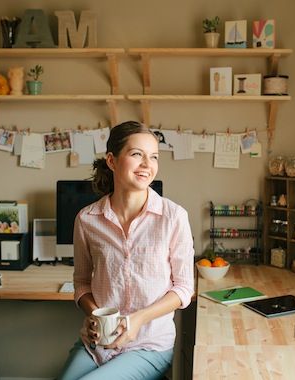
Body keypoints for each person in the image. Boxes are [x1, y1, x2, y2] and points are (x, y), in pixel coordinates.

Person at [58, 121, 195, 380]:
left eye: (153, 157)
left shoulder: (173, 217)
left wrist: (138, 320)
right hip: (98, 345)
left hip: (149, 345)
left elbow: (184, 288)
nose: (147, 164)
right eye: (136, 154)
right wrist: (94, 316)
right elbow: (81, 283)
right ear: (111, 160)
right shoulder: (87, 219)